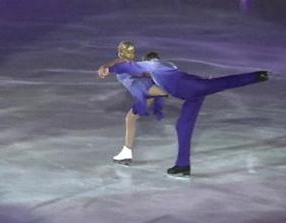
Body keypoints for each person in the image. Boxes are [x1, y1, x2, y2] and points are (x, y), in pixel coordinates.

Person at [99, 43, 269, 176]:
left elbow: (128, 67)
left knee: (225, 82)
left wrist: (108, 68)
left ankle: (257, 76)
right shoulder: (163, 68)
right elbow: (138, 72)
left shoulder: (154, 67)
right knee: (182, 127)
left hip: (196, 88)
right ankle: (182, 166)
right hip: (192, 96)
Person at [98, 41, 168, 166]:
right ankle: (126, 152)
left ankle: (193, 88)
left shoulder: (127, 64)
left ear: (121, 52)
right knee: (130, 118)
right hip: (147, 93)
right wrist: (105, 68)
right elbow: (113, 64)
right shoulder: (124, 63)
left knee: (170, 89)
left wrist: (105, 68)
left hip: (146, 89)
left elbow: (122, 67)